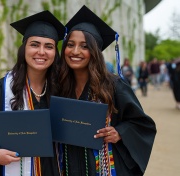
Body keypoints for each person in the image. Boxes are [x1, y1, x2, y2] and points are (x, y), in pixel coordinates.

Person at [0, 10, 65, 176]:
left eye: (49, 46)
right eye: (34, 44)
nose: (41, 52)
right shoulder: (0, 89)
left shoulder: (61, 91)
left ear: (55, 53)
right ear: (24, 49)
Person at [58, 5, 156, 176]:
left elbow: (143, 124)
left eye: (84, 46)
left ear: (95, 51)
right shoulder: (59, 85)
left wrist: (120, 132)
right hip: (67, 164)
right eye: (70, 44)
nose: (75, 51)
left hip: (103, 166)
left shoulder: (113, 85)